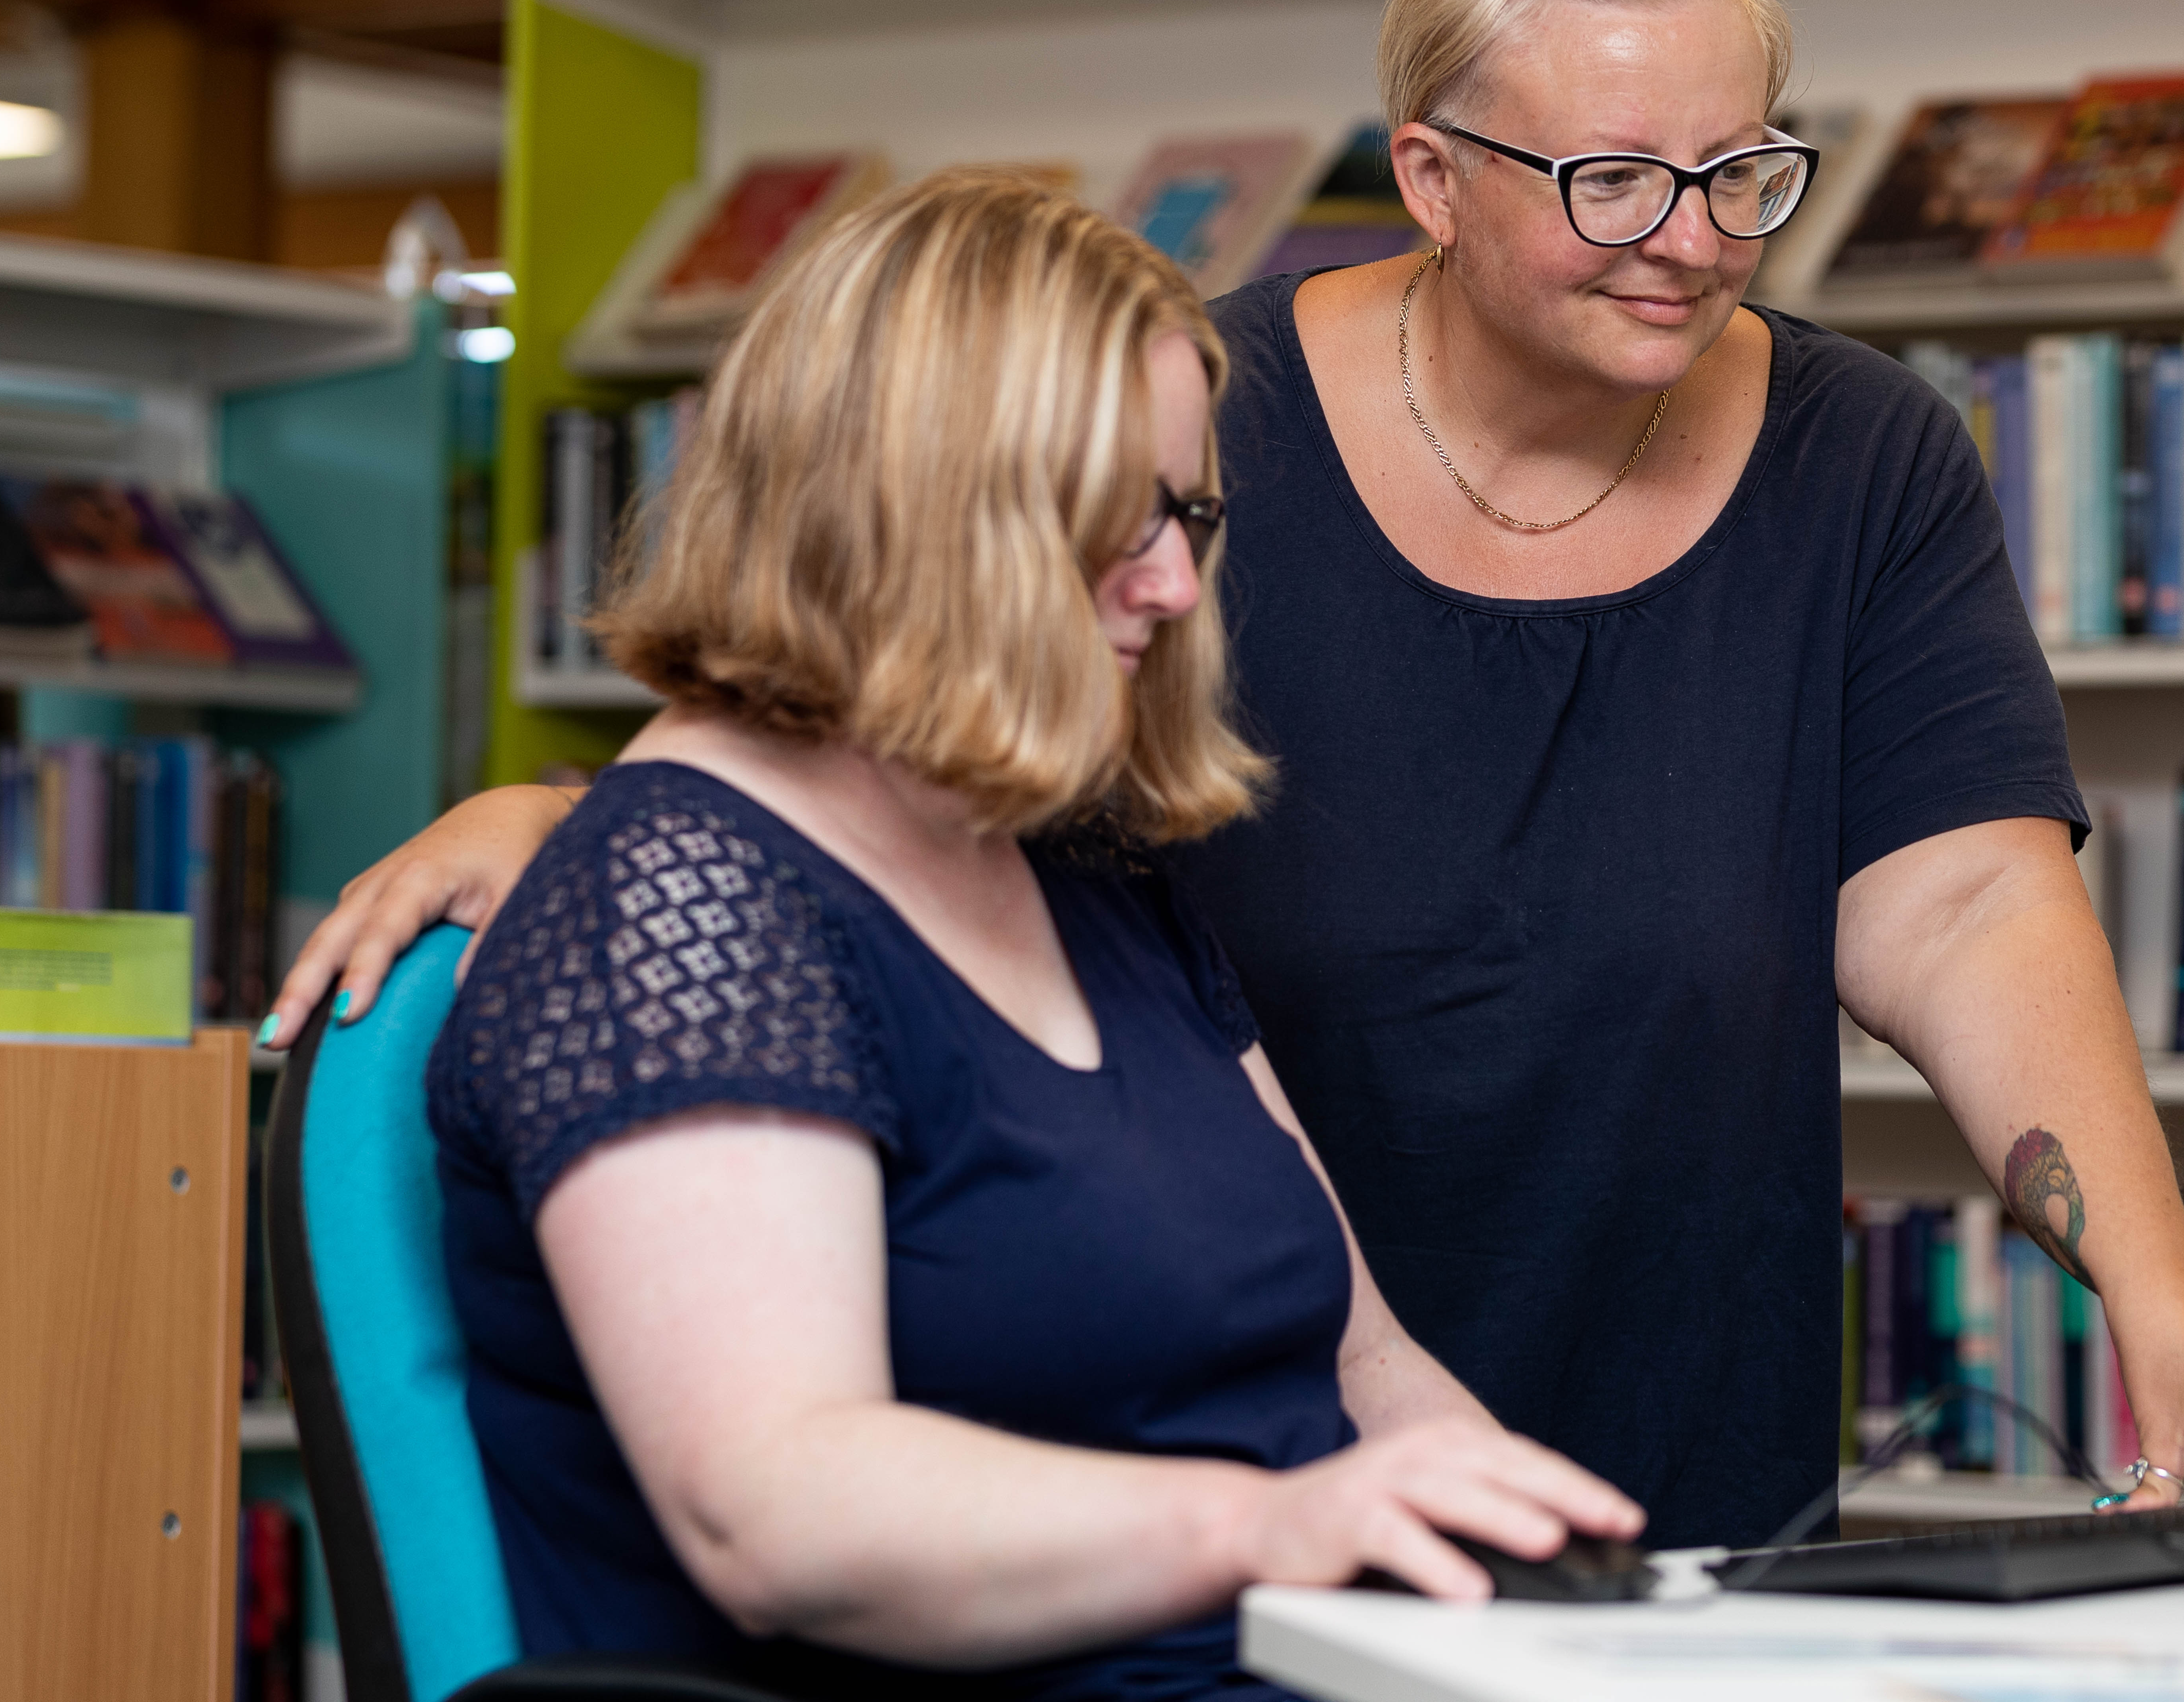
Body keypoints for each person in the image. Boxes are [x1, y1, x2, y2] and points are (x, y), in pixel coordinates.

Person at [280, 0, 2184, 1550]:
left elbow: (1963, 897)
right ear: (1430, 173)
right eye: (1611, 180)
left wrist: (2153, 1289)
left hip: (1604, 1456)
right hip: (1176, 1494)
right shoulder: (1183, 426)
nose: (1692, 238)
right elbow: (880, 693)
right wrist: (594, 821)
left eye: (1740, 171)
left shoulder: (1857, 450)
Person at [422, 169, 1639, 1698]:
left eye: (1187, 511)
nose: (1175, 583)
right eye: (1112, 520)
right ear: (910, 511)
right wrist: (1278, 1525)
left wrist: (1575, 1596)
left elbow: (1368, 1368)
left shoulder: (1081, 870)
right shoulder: (678, 905)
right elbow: (777, 1509)